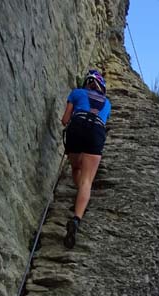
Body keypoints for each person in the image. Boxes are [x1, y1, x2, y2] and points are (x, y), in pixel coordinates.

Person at [61, 69, 111, 249]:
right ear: (101, 87)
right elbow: (104, 121)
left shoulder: (77, 93)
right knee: (87, 180)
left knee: (76, 168)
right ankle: (76, 218)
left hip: (77, 126)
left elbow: (65, 119)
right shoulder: (107, 103)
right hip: (96, 131)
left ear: (86, 83)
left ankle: (78, 197)